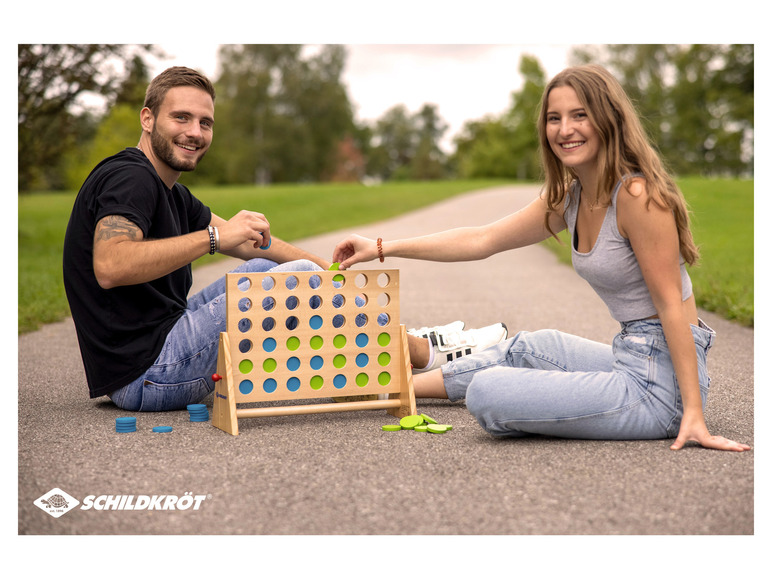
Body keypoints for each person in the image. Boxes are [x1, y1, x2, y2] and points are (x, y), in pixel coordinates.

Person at [333, 64, 750, 452]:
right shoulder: (572, 198)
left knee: (487, 391)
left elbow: (671, 303)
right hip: (630, 356)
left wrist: (692, 413)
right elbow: (483, 238)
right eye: (554, 118)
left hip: (662, 388)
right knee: (532, 346)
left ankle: (675, 409)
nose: (565, 129)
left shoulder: (637, 197)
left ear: (608, 119)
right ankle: (395, 385)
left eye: (579, 115)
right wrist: (383, 247)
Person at [63, 66, 507, 413]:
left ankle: (415, 344)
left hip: (157, 349)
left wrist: (334, 276)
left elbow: (255, 244)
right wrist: (215, 237)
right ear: (148, 118)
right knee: (286, 278)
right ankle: (427, 352)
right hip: (147, 374)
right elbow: (111, 265)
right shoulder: (131, 179)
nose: (195, 132)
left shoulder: (172, 193)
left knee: (271, 269)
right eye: (181, 117)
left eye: (205, 122)